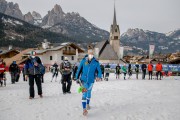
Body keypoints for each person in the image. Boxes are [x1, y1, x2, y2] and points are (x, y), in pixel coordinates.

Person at [75, 47, 102, 116]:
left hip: (91, 80)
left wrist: (99, 77)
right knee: (84, 93)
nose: (91, 54)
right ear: (88, 53)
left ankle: (87, 104)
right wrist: (76, 77)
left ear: (93, 54)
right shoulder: (83, 61)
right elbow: (79, 69)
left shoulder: (96, 62)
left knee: (89, 92)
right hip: (83, 80)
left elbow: (99, 71)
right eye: (89, 53)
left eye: (92, 53)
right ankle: (84, 109)